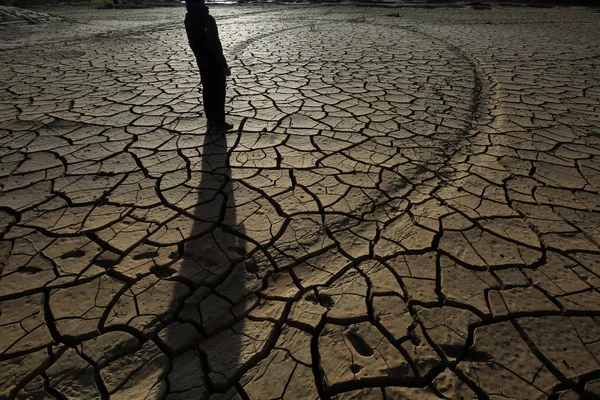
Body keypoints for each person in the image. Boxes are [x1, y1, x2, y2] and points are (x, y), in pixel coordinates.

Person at [185, 0, 233, 132]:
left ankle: (211, 118)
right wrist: (224, 65)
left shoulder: (188, 18)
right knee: (218, 92)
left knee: (207, 89)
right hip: (213, 62)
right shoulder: (207, 19)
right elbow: (214, 45)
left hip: (201, 60)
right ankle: (219, 123)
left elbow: (193, 42)